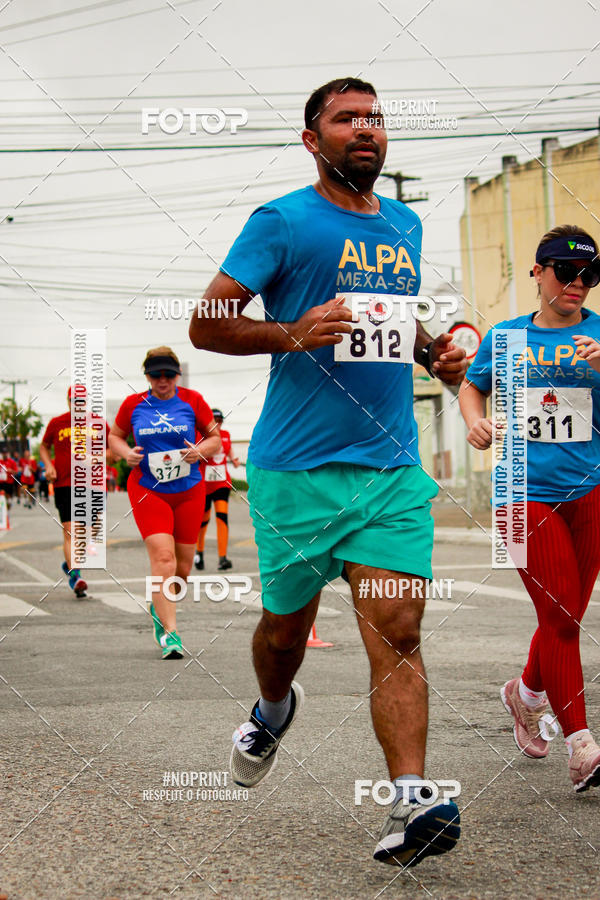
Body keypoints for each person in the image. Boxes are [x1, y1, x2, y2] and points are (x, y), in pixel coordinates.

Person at [189, 77, 467, 868]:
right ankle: (274, 708)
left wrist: (432, 353)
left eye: (374, 118)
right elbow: (205, 323)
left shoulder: (404, 222)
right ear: (313, 140)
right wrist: (289, 331)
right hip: (296, 470)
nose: (365, 129)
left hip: (387, 467)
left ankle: (412, 802)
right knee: (285, 632)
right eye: (346, 119)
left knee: (400, 633)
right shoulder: (281, 221)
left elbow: (394, 314)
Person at [459, 224, 600, 793]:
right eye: (566, 272)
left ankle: (524, 692)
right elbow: (473, 387)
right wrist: (475, 420)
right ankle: (583, 746)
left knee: (563, 613)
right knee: (562, 617)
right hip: (520, 490)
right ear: (538, 273)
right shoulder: (507, 337)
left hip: (591, 490)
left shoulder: (599, 337)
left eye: (590, 275)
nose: (578, 284)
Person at [109, 346, 220, 660]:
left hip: (189, 489)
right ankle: (170, 634)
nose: (162, 381)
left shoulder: (192, 400)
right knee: (163, 560)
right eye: (155, 375)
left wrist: (201, 450)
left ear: (177, 375)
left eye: (168, 375)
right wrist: (124, 452)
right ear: (146, 376)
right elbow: (114, 436)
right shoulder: (133, 405)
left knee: (182, 570)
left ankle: (158, 602)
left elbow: (214, 437)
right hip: (148, 489)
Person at [40, 387, 110, 599]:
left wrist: (95, 458)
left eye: (81, 401)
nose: (77, 404)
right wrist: (48, 466)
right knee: (71, 530)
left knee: (90, 531)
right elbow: (44, 446)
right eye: (73, 401)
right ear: (68, 400)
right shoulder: (57, 423)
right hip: (65, 483)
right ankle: (76, 576)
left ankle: (69, 563)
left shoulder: (98, 422)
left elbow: (112, 448)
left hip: (94, 484)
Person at [194, 408, 240, 571]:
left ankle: (222, 558)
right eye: (215, 420)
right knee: (203, 520)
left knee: (222, 517)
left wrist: (234, 460)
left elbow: (230, 453)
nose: (218, 424)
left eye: (220, 421)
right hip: (204, 483)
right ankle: (199, 553)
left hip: (221, 482)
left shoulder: (226, 435)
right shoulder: (201, 436)